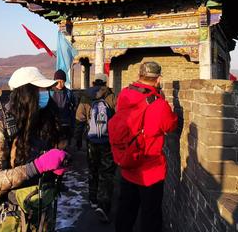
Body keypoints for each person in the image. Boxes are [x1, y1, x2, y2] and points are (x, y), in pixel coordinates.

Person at [0, 66, 68, 231]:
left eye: (45, 89)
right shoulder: (1, 128)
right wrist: (36, 167)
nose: (45, 94)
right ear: (25, 94)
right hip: (14, 216)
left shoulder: (42, 120)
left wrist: (55, 166)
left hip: (42, 210)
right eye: (40, 89)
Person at [113, 61, 177, 232]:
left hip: (128, 164)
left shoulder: (124, 95)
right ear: (158, 79)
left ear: (139, 76)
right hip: (150, 170)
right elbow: (170, 126)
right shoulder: (158, 105)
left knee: (126, 211)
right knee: (150, 215)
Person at [74, 73, 117, 222]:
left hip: (92, 140)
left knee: (93, 170)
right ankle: (103, 204)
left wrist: (78, 139)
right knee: (107, 173)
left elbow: (80, 119)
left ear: (93, 82)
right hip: (108, 141)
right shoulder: (111, 97)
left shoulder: (86, 97)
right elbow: (118, 119)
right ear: (105, 82)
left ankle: (93, 199)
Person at [50, 69, 77, 149]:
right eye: (58, 81)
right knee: (53, 147)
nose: (60, 84)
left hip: (66, 124)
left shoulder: (69, 93)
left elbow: (74, 105)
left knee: (64, 147)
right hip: (53, 124)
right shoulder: (49, 92)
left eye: (62, 81)